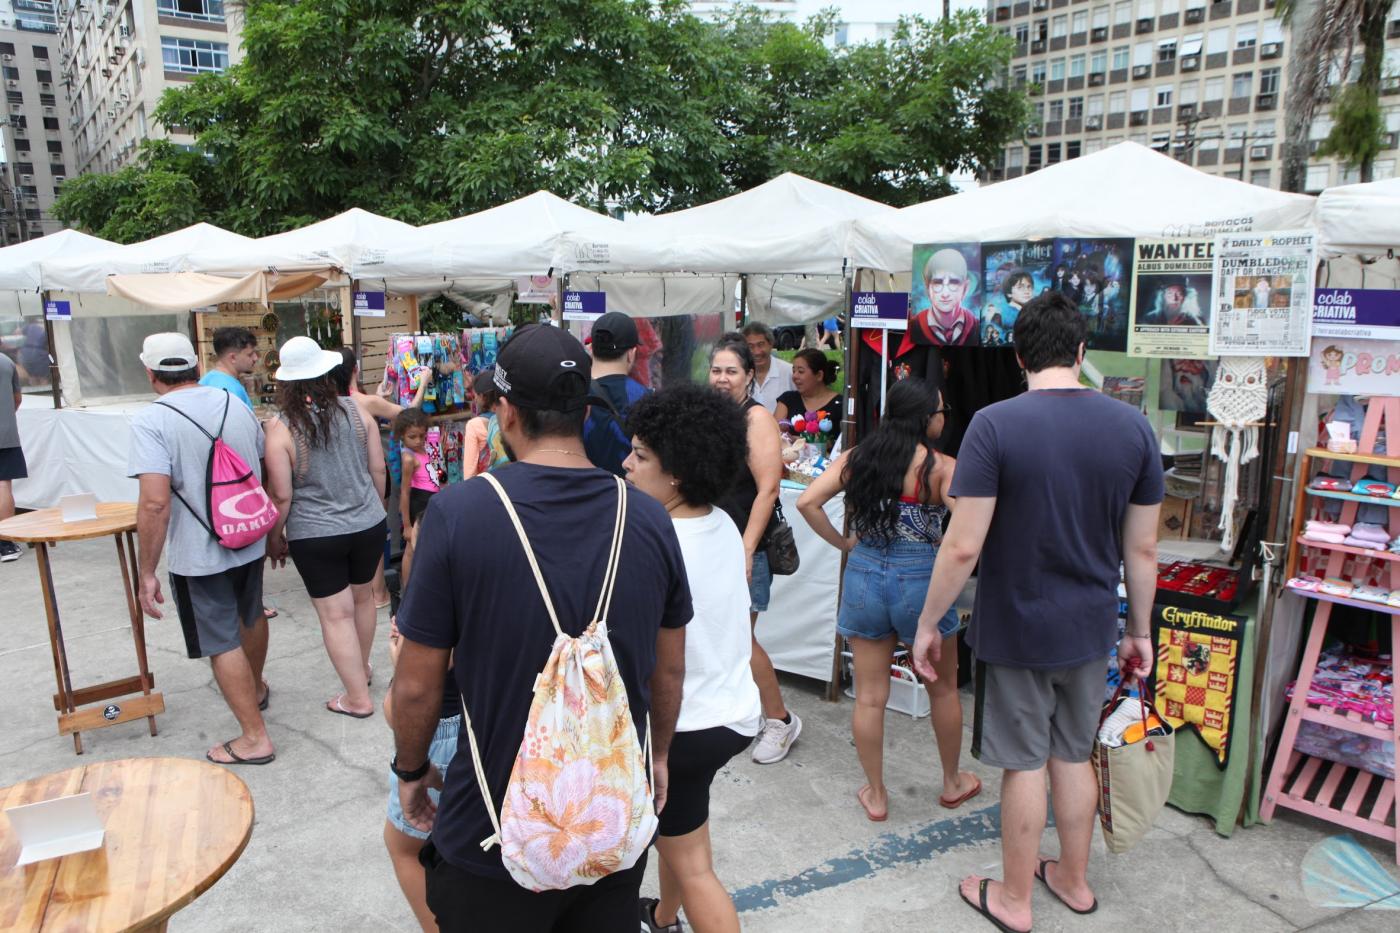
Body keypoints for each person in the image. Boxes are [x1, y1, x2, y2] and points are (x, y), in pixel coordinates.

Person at [388, 323, 690, 932]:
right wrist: (658, 755)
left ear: (506, 412)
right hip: (607, 827)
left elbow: (417, 685)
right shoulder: (650, 518)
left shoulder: (458, 514)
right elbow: (671, 666)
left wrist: (412, 773)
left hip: (491, 832)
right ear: (583, 411)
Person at [910, 291, 1163, 933]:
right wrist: (1140, 632)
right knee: (1072, 755)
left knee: (1024, 763)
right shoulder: (1133, 427)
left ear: (1019, 355)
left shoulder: (996, 424)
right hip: (1091, 626)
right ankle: (1073, 882)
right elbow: (1144, 547)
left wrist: (926, 623)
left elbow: (963, 543)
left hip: (1017, 626)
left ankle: (1015, 900)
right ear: (1082, 352)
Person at [797, 378, 980, 822]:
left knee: (870, 698)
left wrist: (844, 544)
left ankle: (877, 794)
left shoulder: (859, 458)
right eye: (940, 410)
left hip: (863, 575)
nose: (943, 416)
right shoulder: (942, 468)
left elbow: (807, 502)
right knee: (943, 691)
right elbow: (970, 529)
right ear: (924, 418)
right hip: (921, 581)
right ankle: (953, 782)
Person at [623, 384, 763, 933]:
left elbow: (654, 659)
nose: (626, 465)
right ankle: (663, 916)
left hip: (684, 725)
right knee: (683, 827)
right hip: (730, 713)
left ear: (676, 472)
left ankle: (676, 914)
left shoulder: (651, 537)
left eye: (640, 455)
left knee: (694, 863)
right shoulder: (722, 521)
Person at [128, 333, 274, 764]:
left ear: (151, 373)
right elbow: (260, 463)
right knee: (251, 614)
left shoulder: (151, 421)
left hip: (200, 551)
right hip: (247, 533)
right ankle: (258, 687)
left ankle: (254, 737)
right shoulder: (234, 402)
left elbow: (155, 502)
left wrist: (147, 570)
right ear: (195, 365)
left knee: (220, 639)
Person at [265, 336, 388, 719]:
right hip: (367, 522)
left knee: (336, 614)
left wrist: (274, 538)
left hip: (317, 532)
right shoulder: (356, 411)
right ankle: (361, 671)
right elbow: (378, 470)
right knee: (364, 598)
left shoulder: (280, 429)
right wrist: (375, 509)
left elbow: (282, 496)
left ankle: (356, 698)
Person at [709, 335, 799, 764]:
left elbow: (768, 489)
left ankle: (780, 720)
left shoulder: (756, 418)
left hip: (746, 545)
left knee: (742, 639)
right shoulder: (715, 416)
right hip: (714, 541)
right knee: (718, 634)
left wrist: (746, 550)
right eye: (716, 370)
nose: (722, 378)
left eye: (731, 371)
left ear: (748, 375)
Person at [332, 347, 431, 609]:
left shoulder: (332, 401)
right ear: (355, 369)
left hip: (344, 474)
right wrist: (423, 383)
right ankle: (378, 594)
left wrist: (377, 398)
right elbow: (411, 412)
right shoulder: (364, 402)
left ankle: (356, 591)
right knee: (374, 534)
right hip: (371, 472)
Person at [584, 311, 650, 476]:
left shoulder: (573, 394)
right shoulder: (647, 400)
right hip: (629, 496)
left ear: (591, 349)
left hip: (581, 493)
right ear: (631, 354)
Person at [395, 407, 437, 589]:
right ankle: (407, 589)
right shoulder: (408, 458)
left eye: (422, 435)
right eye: (412, 436)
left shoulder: (425, 449)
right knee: (411, 550)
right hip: (418, 503)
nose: (418, 440)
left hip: (430, 501)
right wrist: (407, 525)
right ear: (402, 435)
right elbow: (404, 492)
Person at [774, 348, 843, 448]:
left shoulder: (840, 404)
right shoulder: (788, 399)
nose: (794, 376)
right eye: (793, 371)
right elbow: (774, 433)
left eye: (800, 372)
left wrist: (799, 440)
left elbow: (841, 443)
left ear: (819, 375)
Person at [912, 249, 979, 346]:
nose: (945, 293)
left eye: (953, 282)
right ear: (927, 288)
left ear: (965, 288)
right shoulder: (914, 326)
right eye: (938, 282)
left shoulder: (977, 328)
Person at [0, 348, 25, 563]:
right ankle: (6, 543)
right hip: (5, 434)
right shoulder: (6, 362)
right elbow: (17, 399)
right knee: (3, 485)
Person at [462, 368, 510, 475]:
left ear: (483, 397)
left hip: (489, 485)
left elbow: (469, 473)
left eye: (475, 396)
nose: (474, 399)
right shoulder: (510, 416)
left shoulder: (474, 426)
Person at [741, 322, 794, 414]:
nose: (756, 352)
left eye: (761, 344)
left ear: (771, 344)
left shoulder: (789, 371)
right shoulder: (739, 375)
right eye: (750, 346)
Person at [199, 326, 258, 408]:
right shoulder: (229, 391)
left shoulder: (207, 380)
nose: (255, 358)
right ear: (233, 358)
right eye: (250, 354)